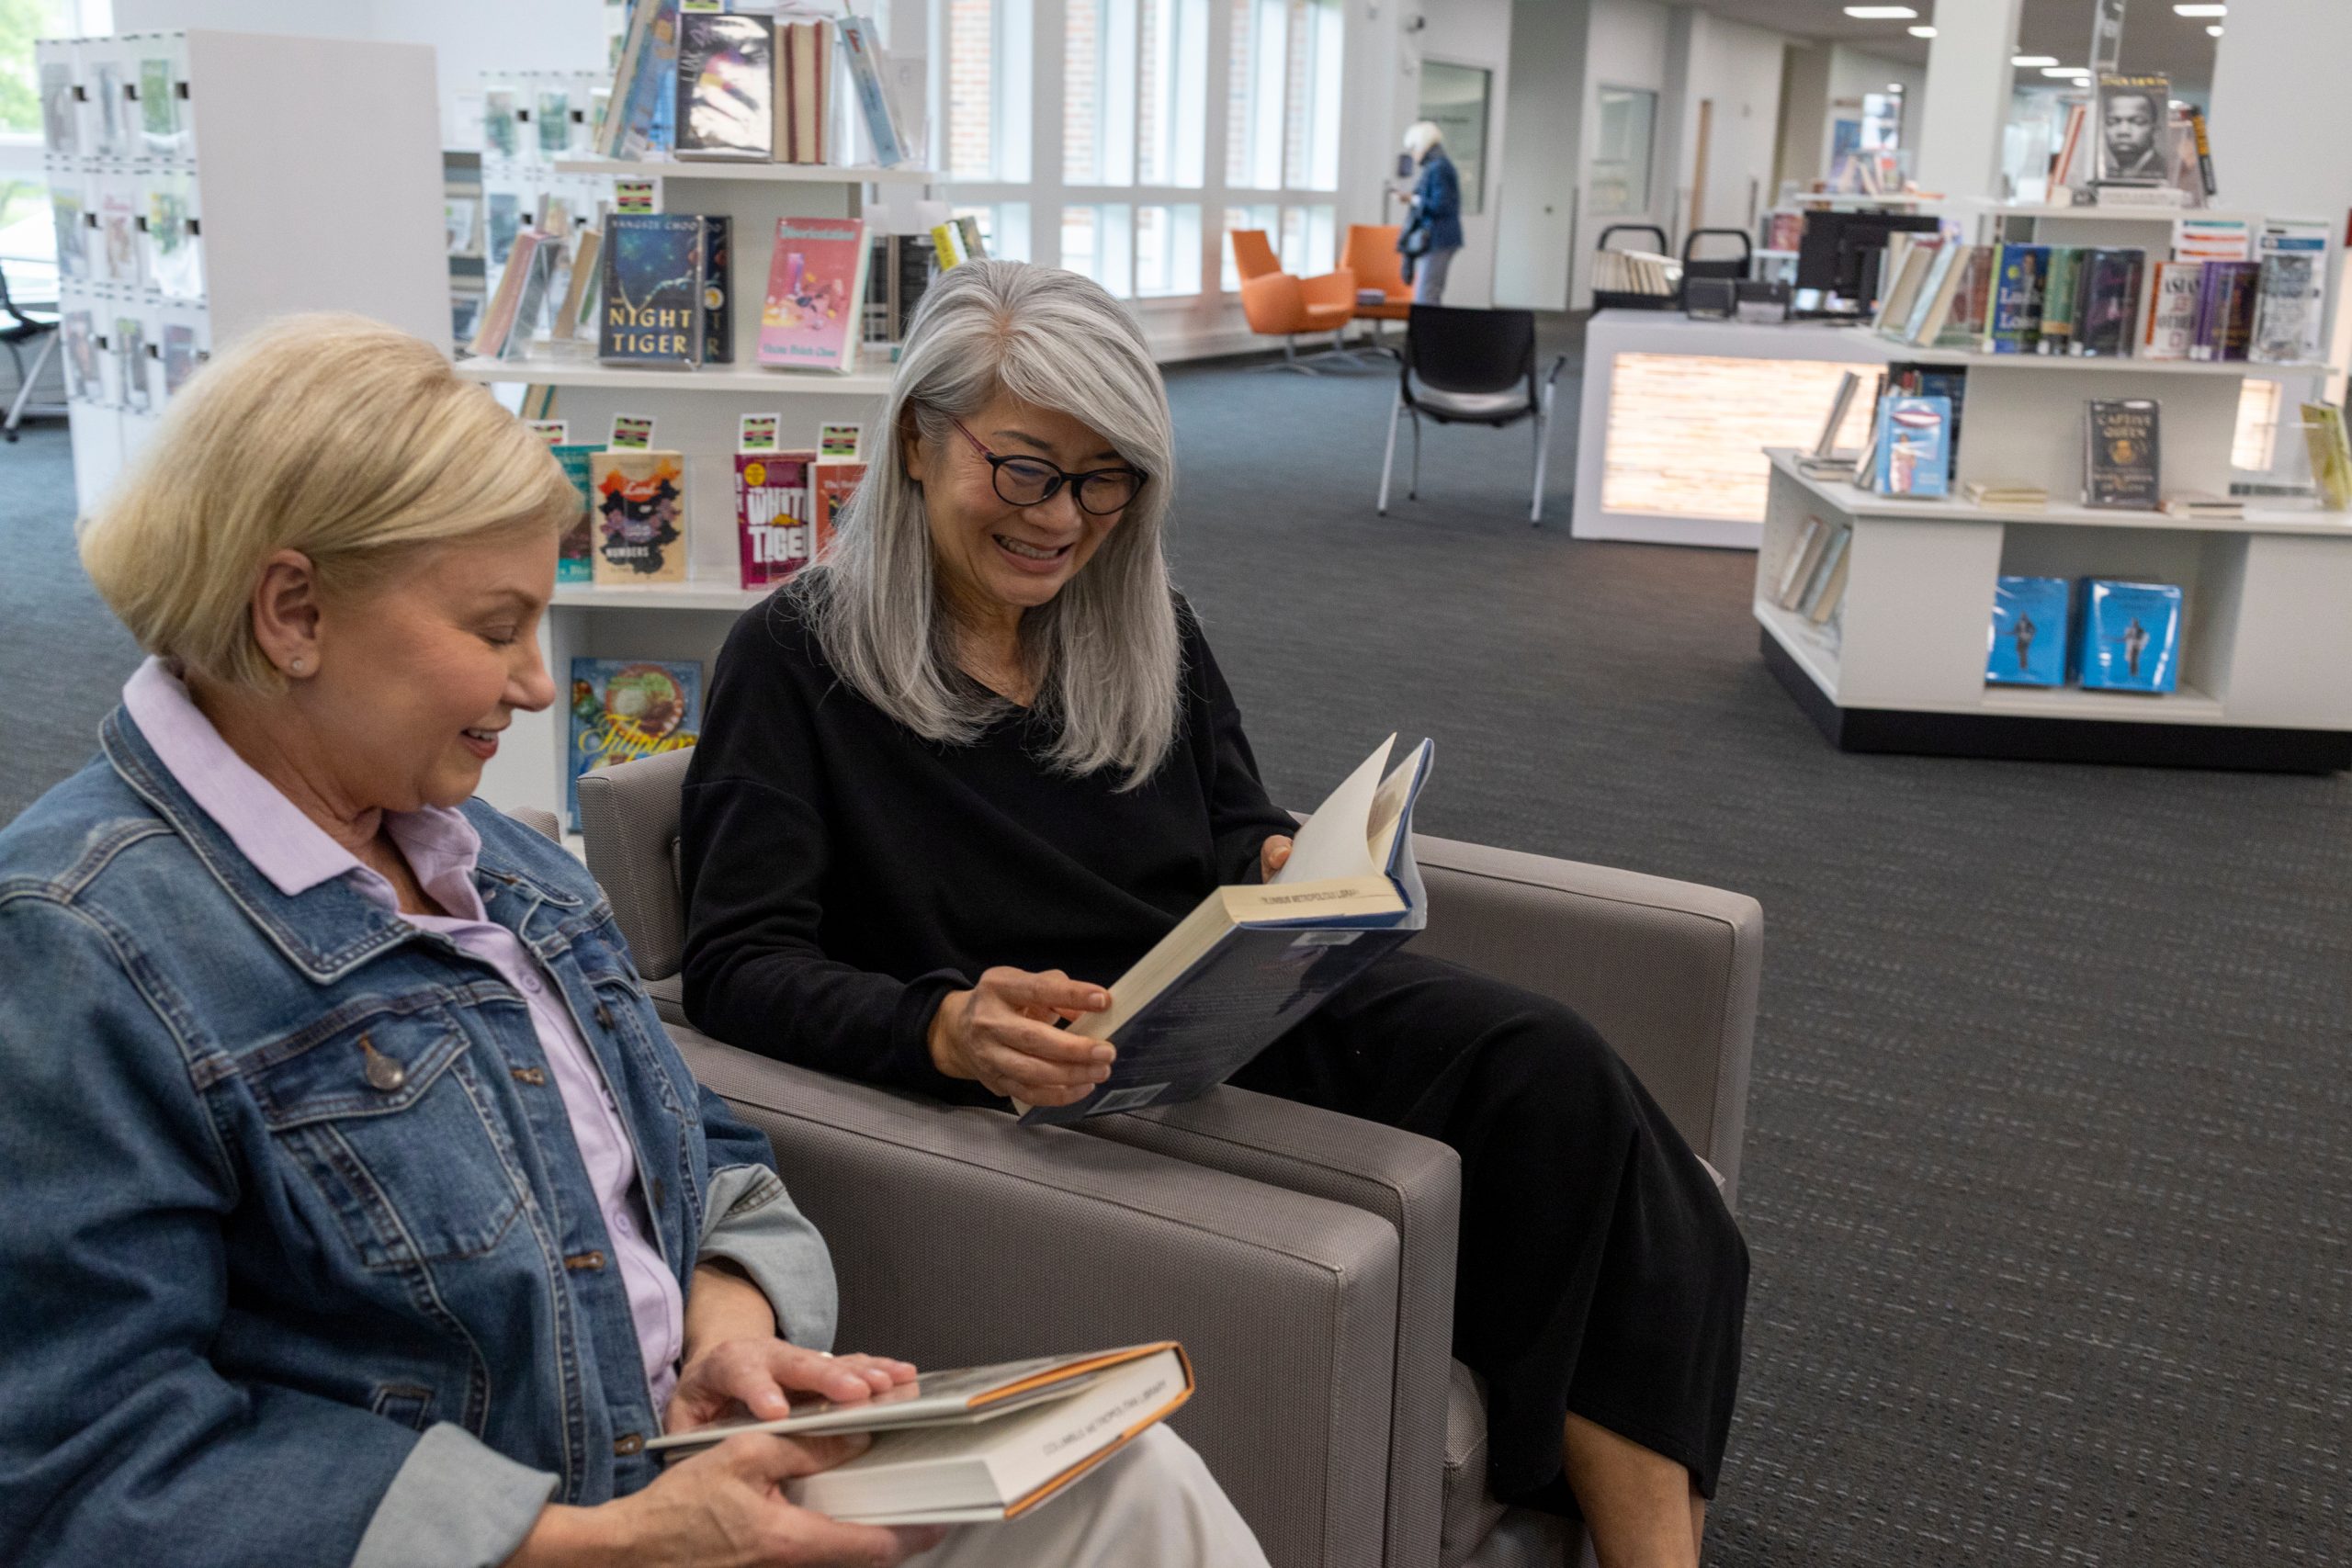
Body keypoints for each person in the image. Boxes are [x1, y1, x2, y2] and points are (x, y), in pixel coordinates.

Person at [0, 313, 1269, 1568]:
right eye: (495, 627)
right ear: (294, 609)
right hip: (542, 1533)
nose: (540, 683)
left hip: (671, 1475)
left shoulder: (499, 862)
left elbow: (698, 1148)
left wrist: (727, 1324)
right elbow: (86, 1470)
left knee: (1132, 1474)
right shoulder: (80, 949)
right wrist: (585, 1540)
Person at [677, 260, 1750, 1568]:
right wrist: (947, 1027)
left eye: (1106, 476)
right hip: (1067, 1061)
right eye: (1026, 468)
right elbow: (737, 961)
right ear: (916, 439)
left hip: (1226, 994)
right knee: (1597, 1156)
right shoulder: (796, 656)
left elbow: (1228, 819)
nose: (1066, 517)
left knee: (1560, 1076)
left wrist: (1289, 858)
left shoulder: (1141, 623)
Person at [1398, 119, 1465, 303]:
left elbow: (1441, 205)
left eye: (1413, 149)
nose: (1412, 154)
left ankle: (1428, 332)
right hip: (1437, 239)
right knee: (1428, 292)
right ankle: (1428, 331)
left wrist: (1413, 199)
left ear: (1421, 146)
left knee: (1427, 296)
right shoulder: (1437, 166)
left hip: (1439, 238)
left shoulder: (1439, 167)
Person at [2099, 86, 2166, 182]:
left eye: (2137, 122)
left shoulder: (2169, 171)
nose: (2123, 132)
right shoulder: (2104, 171)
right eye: (2112, 122)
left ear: (2154, 130)